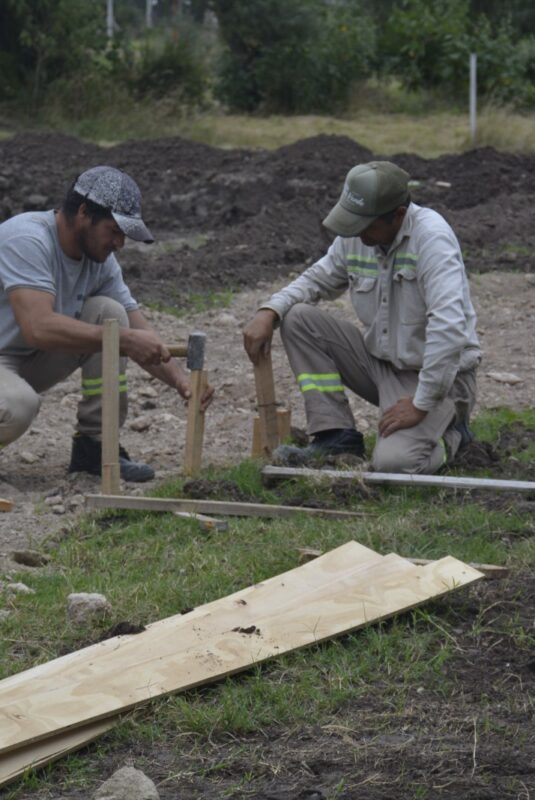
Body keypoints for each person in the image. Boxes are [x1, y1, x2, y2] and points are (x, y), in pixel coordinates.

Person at [243, 161, 481, 474]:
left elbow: (449, 329)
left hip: (441, 378)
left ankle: (453, 437)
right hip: (384, 366)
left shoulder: (432, 240)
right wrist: (269, 310)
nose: (358, 233)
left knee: (395, 464)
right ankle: (336, 436)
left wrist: (421, 404)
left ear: (398, 214)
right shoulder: (358, 234)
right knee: (298, 318)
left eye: (367, 225)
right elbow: (316, 279)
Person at [0, 165, 213, 481]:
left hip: (21, 359)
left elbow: (138, 331)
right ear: (83, 212)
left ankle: (95, 447)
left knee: (110, 312)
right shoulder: (27, 239)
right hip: (18, 355)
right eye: (114, 231)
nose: (120, 244)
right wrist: (123, 340)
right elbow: (39, 326)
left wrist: (182, 381)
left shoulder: (99, 261)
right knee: (18, 406)